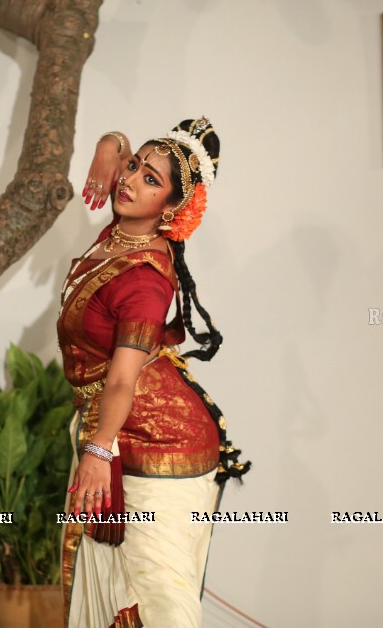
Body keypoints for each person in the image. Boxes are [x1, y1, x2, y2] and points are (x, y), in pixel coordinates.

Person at [57, 117, 250, 628]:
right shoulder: (122, 236)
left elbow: (121, 380)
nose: (130, 178)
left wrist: (98, 451)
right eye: (136, 164)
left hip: (158, 444)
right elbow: (119, 148)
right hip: (122, 425)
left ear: (171, 210)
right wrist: (109, 146)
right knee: (117, 584)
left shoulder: (144, 279)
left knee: (159, 596)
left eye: (150, 180)